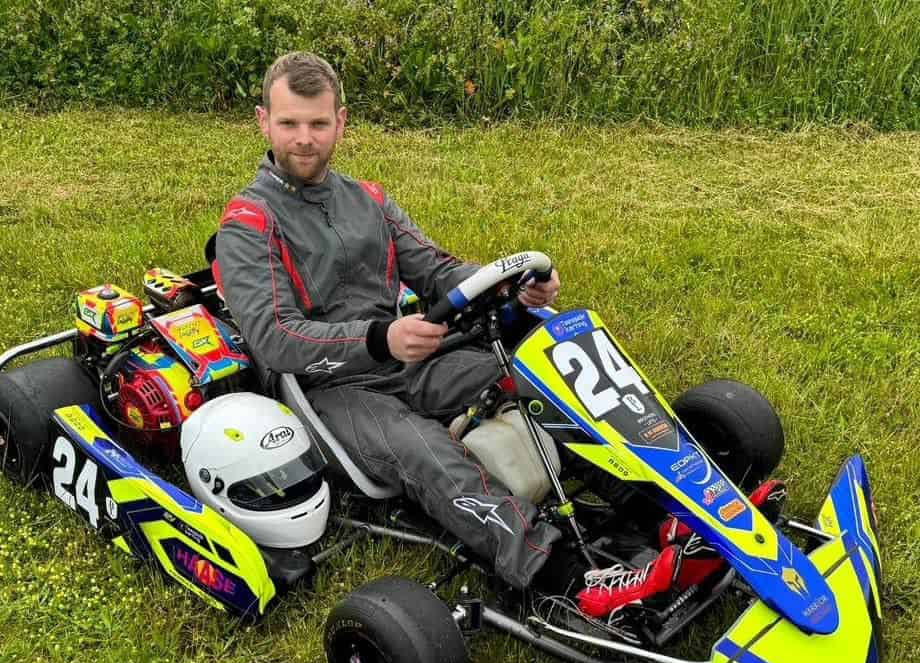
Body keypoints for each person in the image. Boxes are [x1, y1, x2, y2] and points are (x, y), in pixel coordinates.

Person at [215, 51, 685, 610]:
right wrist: (378, 338)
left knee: (539, 382)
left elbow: (436, 270)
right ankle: (571, 580)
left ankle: (665, 515)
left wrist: (510, 286)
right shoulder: (248, 223)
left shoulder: (367, 200)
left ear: (340, 122)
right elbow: (273, 336)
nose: (304, 139)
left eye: (318, 123)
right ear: (263, 121)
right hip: (331, 390)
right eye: (289, 123)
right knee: (430, 454)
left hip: (412, 355)